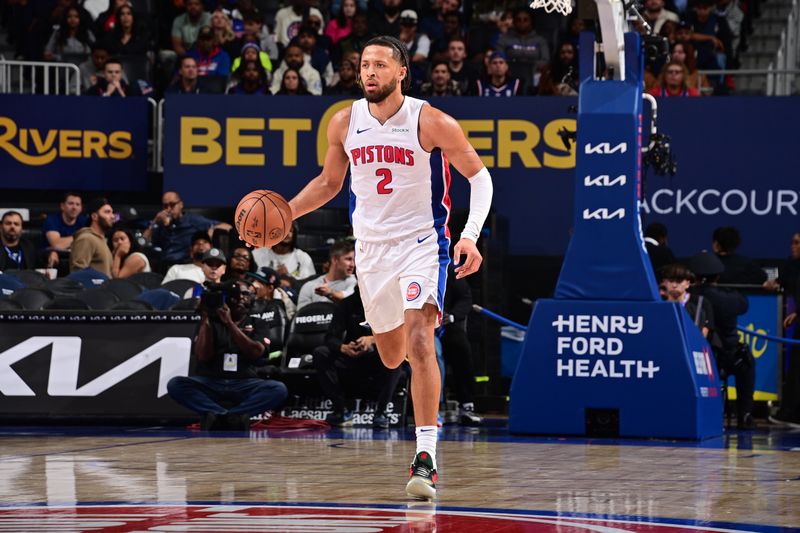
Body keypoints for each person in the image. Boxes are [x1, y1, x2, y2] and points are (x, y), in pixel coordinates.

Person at [277, 35, 493, 499]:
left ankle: (426, 457)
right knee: (393, 354)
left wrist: (470, 235)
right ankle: (399, 365)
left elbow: (481, 177)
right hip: (372, 252)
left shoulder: (430, 120)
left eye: (379, 65)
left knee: (420, 341)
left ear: (401, 73)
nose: (369, 72)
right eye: (363, 65)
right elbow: (328, 182)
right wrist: (285, 216)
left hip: (422, 244)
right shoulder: (343, 122)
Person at [166, 279, 288, 431]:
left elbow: (255, 353)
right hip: (211, 381)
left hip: (245, 382)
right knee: (175, 384)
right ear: (227, 298)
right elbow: (203, 356)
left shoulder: (258, 322)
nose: (241, 298)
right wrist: (206, 318)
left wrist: (229, 323)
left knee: (278, 389)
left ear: (252, 298)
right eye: (236, 294)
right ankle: (228, 415)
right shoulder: (210, 322)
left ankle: (226, 415)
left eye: (246, 294)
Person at [313, 286, 405, 428]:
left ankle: (381, 413)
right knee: (321, 353)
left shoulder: (388, 302)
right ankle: (341, 409)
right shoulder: (347, 304)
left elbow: (399, 334)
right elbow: (330, 338)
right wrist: (343, 348)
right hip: (352, 357)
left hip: (378, 358)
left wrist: (372, 339)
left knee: (396, 359)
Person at [689, 251, 755, 429]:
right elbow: (744, 304)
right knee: (747, 362)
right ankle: (745, 414)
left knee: (745, 360)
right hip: (725, 357)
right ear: (718, 276)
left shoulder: (690, 295)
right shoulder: (729, 298)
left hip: (702, 357)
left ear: (694, 276)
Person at [439, 272, 483, 426]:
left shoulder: (449, 270)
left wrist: (452, 316)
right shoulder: (412, 263)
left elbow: (465, 298)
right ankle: (433, 407)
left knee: (461, 348)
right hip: (418, 325)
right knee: (432, 356)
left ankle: (467, 404)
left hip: (445, 325)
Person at [144, 191, 231, 267]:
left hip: (185, 263)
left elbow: (227, 226)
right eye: (165, 206)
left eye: (172, 205)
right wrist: (155, 221)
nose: (168, 209)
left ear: (181, 204)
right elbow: (143, 241)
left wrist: (212, 229)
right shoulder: (159, 223)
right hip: (163, 264)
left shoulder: (193, 220)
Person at [297, 240, 356, 310]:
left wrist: (330, 293)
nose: (353, 265)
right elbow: (301, 316)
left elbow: (350, 300)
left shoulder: (354, 282)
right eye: (348, 259)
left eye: (354, 260)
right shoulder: (309, 286)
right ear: (334, 260)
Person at [42, 192, 88, 271]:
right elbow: (57, 244)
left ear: (81, 208)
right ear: (62, 206)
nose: (74, 207)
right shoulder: (52, 220)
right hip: (54, 259)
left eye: (77, 204)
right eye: (71, 203)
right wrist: (81, 236)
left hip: (77, 258)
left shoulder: (85, 221)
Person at [70, 198, 115, 277]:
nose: (112, 216)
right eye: (107, 212)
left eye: (112, 212)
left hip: (105, 289)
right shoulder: (86, 238)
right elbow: (78, 272)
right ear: (94, 216)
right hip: (93, 289)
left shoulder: (101, 240)